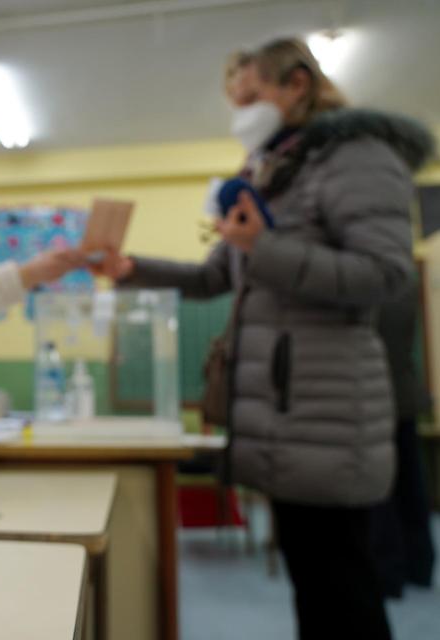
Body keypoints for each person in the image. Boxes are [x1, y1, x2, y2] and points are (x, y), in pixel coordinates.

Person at [95, 38, 434, 640]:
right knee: (315, 585)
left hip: (329, 412)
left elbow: (385, 275)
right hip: (284, 413)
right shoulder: (272, 168)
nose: (239, 113)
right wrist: (132, 269)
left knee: (344, 587)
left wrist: (264, 247)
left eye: (250, 97)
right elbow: (214, 276)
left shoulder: (357, 157)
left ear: (296, 84)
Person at [371, 277, 436, 596]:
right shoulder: (405, 284)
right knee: (411, 485)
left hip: (378, 400)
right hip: (404, 397)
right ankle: (420, 565)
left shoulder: (369, 290)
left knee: (384, 490)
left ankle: (390, 570)